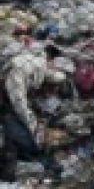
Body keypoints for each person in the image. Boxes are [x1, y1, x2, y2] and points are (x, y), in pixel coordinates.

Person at [1, 46, 67, 180]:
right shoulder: (21, 69)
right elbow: (19, 103)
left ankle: (10, 172)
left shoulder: (35, 66)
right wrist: (33, 126)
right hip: (7, 107)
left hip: (8, 106)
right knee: (22, 139)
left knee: (14, 140)